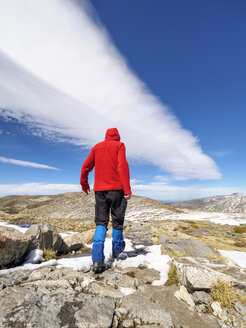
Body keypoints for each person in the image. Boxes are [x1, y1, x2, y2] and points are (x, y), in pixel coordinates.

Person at [80, 128, 131, 273]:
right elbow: (122, 166)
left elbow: (86, 166)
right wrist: (127, 189)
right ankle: (116, 250)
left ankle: (97, 260)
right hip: (117, 189)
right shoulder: (119, 146)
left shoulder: (96, 147)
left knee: (101, 222)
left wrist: (84, 184)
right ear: (118, 137)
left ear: (106, 136)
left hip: (100, 190)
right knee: (117, 220)